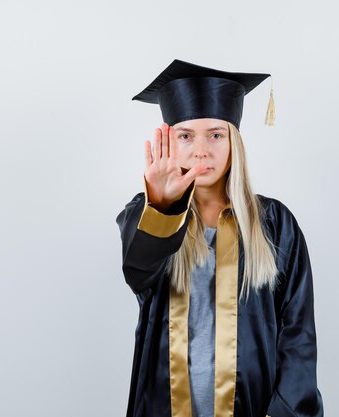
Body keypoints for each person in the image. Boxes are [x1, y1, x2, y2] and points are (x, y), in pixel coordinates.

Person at [115, 59, 324, 417]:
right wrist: (164, 206)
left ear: (234, 141)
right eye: (186, 136)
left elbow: (297, 334)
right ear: (170, 142)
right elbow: (138, 273)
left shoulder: (274, 223)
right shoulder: (146, 212)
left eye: (215, 134)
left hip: (256, 408)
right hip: (166, 406)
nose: (201, 150)